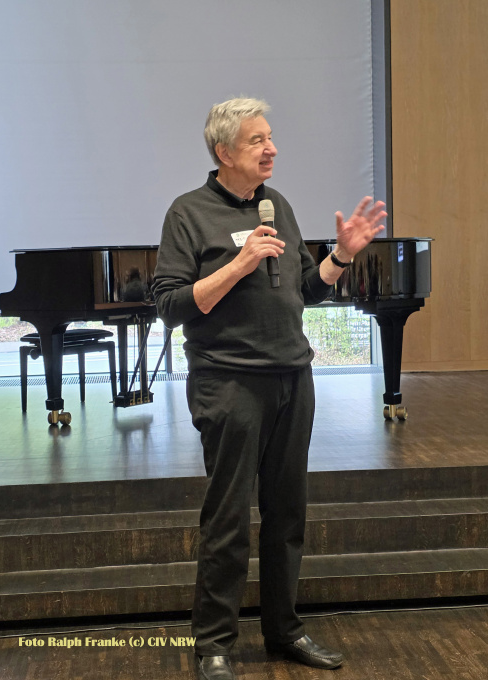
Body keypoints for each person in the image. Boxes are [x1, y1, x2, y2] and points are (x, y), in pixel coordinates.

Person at [152, 97, 385, 680]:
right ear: (224, 151)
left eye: (271, 137)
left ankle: (284, 630)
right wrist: (238, 262)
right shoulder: (187, 212)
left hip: (291, 378)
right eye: (257, 140)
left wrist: (340, 256)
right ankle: (214, 645)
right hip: (229, 381)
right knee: (228, 518)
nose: (272, 148)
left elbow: (305, 288)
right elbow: (170, 306)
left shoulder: (275, 204)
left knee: (287, 515)